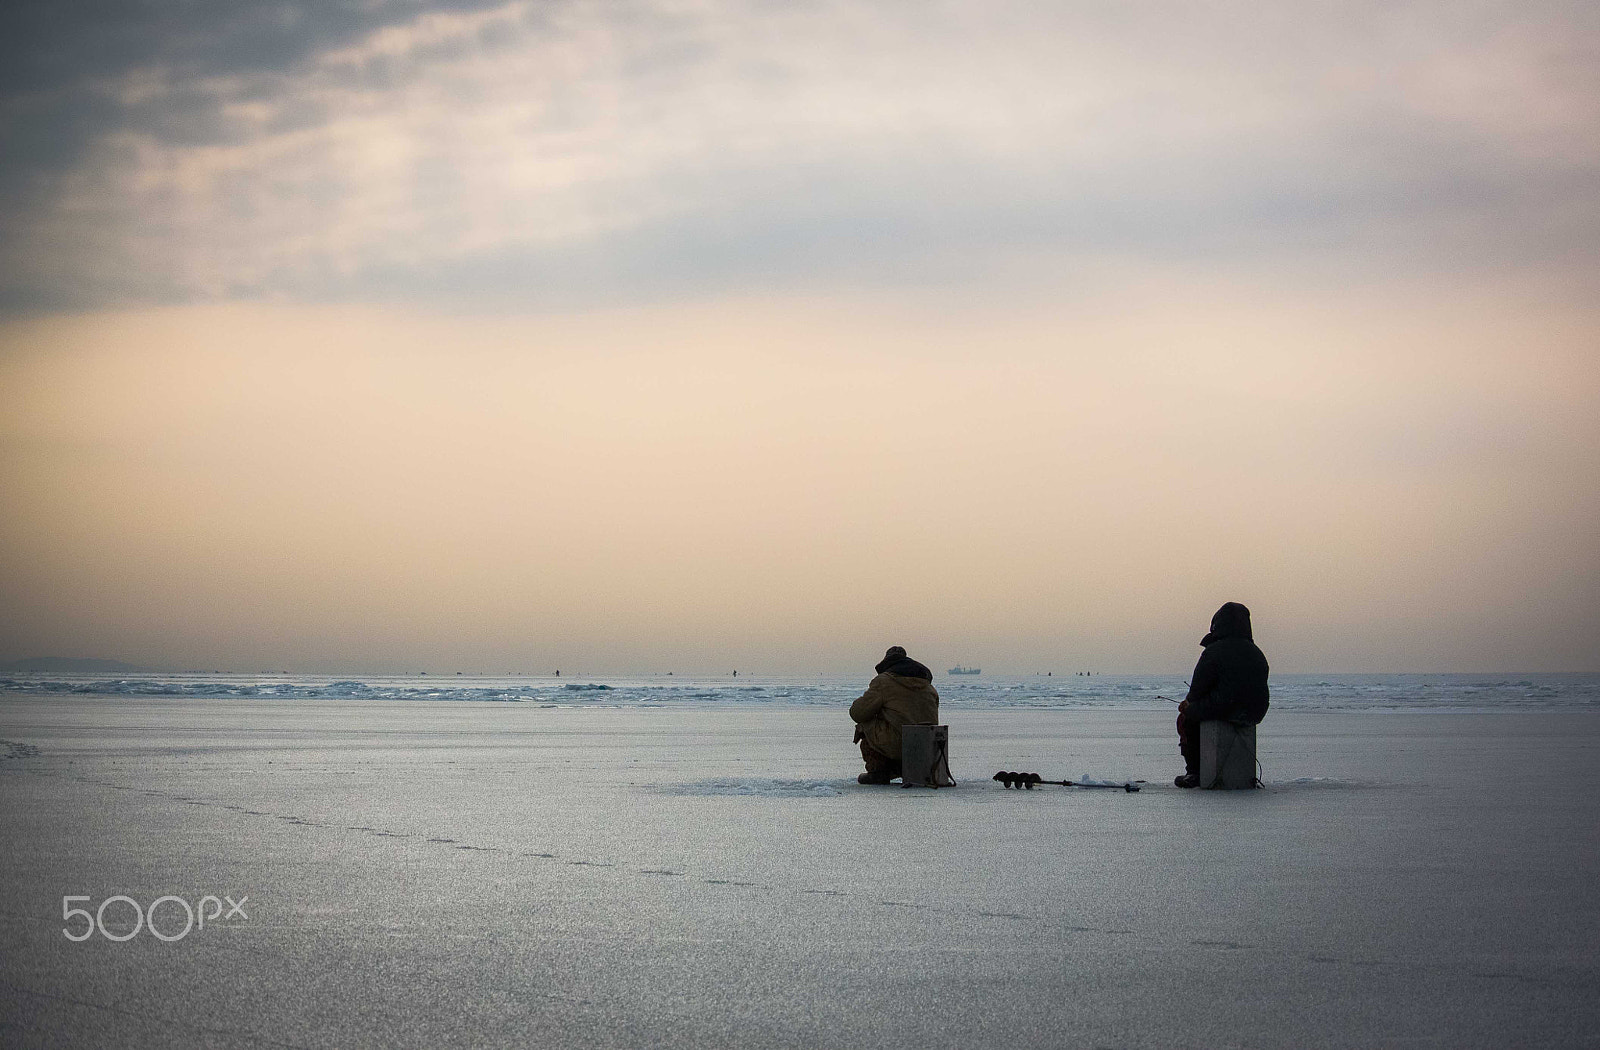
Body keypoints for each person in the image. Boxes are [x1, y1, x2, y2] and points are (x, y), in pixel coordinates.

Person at [1175, 602, 1270, 788]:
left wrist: (1187, 705)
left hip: (1223, 707)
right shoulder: (1257, 653)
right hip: (1255, 711)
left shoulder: (1213, 651)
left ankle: (1194, 772)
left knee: (1186, 719)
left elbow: (1196, 691)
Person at [850, 646, 939, 785]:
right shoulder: (928, 685)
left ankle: (878, 771)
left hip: (898, 743)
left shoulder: (884, 681)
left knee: (864, 724)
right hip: (927, 746)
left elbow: (858, 713)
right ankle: (905, 768)